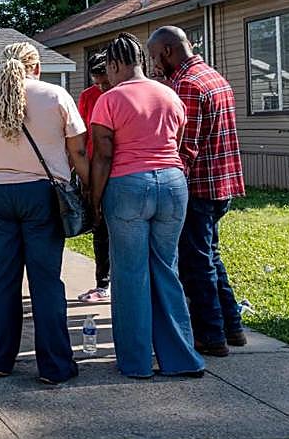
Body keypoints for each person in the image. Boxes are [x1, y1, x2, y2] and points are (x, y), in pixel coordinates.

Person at [0, 42, 88, 384]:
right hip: (42, 193)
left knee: (1, 276)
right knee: (45, 279)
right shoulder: (56, 96)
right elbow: (78, 150)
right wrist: (91, 190)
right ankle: (54, 366)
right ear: (36, 68)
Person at [90, 33, 205, 379]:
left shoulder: (109, 99)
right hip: (172, 184)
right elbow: (177, 143)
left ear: (114, 64)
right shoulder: (170, 94)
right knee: (166, 268)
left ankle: (136, 362)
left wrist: (94, 199)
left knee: (130, 274)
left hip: (128, 186)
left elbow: (103, 156)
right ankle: (181, 358)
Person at [147, 26, 247, 356]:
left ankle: (210, 335)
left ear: (167, 50)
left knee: (195, 264)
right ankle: (232, 327)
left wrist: (169, 185)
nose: (154, 65)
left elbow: (184, 148)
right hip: (222, 183)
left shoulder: (187, 85)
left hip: (199, 186)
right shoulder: (214, 77)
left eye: (155, 57)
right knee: (210, 256)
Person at [76, 51, 113, 304]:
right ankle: (103, 283)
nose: (102, 87)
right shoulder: (87, 97)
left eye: (105, 81)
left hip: (119, 169)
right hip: (93, 170)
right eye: (97, 82)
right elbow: (81, 135)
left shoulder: (119, 94)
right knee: (99, 227)